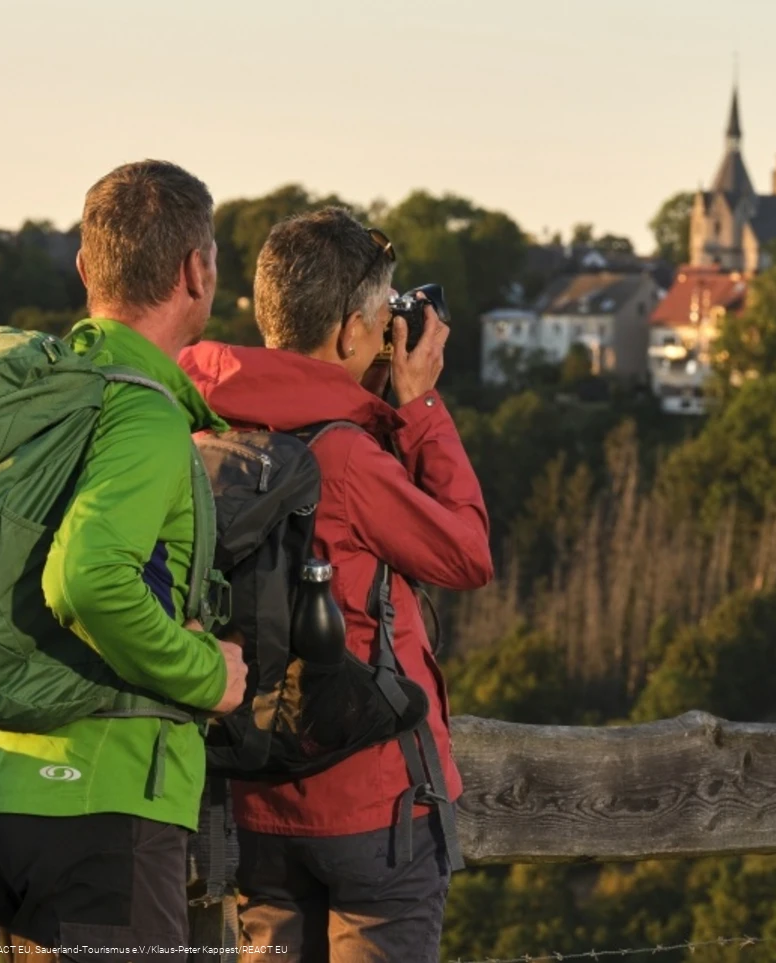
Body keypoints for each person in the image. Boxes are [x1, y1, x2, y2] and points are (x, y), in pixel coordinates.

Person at [180, 207, 494, 962]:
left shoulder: (203, 427)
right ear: (353, 332)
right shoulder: (348, 458)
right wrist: (416, 405)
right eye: (382, 317)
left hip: (257, 796)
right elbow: (467, 554)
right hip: (372, 804)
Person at [0, 160, 249, 962]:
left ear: (88, 270)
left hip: (10, 792)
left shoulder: (49, 395)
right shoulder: (143, 415)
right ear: (196, 272)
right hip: (102, 806)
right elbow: (87, 575)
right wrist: (207, 673)